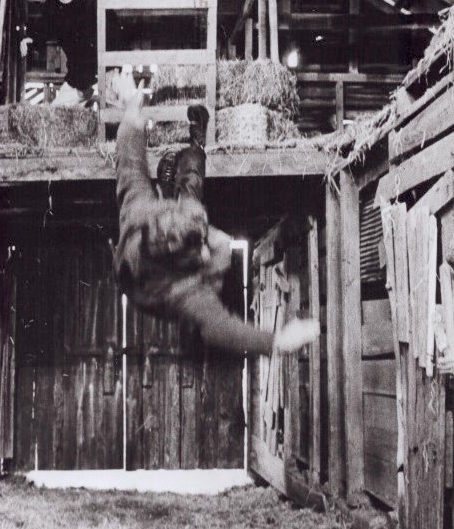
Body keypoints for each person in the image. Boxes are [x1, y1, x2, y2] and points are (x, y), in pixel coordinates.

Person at [112, 71, 319, 357]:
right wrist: (279, 342)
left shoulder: (139, 211)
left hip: (161, 230)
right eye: (202, 246)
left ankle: (176, 175)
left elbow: (130, 160)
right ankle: (195, 149)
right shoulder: (185, 292)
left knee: (189, 198)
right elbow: (220, 328)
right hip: (155, 282)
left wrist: (132, 109)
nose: (207, 245)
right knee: (194, 190)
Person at [19, 0, 97, 106]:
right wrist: (31, 38)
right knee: (55, 110)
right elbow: (42, 27)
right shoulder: (52, 5)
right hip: (76, 73)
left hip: (101, 65)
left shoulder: (90, 0)